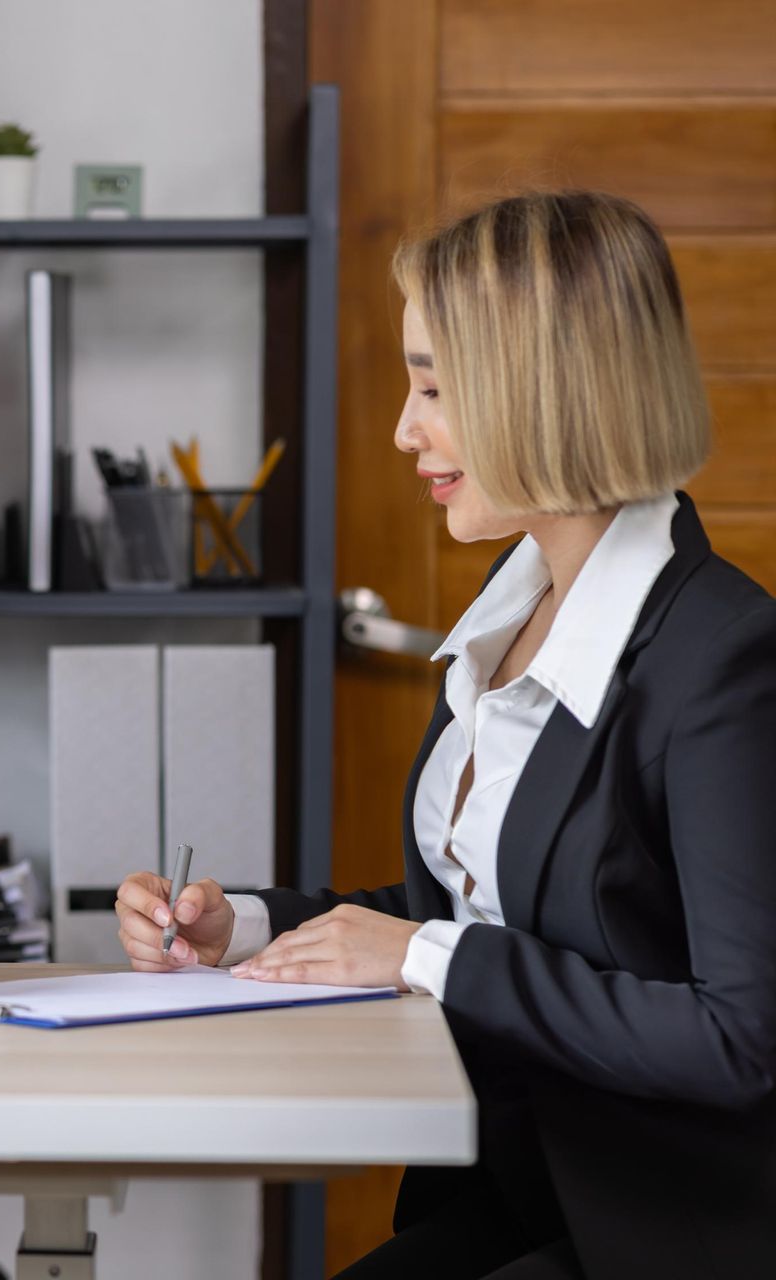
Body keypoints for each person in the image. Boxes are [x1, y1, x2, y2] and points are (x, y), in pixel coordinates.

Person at [114, 191, 776, 1279]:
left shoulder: (721, 660)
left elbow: (740, 1038)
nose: (402, 427)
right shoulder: (515, 614)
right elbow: (470, 912)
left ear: (541, 384)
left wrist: (428, 953)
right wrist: (244, 925)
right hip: (519, 1194)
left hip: (663, 1229)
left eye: (431, 385)